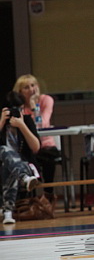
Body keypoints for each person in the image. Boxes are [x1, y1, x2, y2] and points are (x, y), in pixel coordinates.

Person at [1, 91, 41, 225]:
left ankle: (8, 211)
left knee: (9, 166)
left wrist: (22, 126)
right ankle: (24, 178)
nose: (16, 112)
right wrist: (1, 122)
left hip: (25, 164)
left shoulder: (27, 120)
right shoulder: (1, 122)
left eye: (19, 109)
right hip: (7, 167)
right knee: (4, 151)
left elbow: (36, 148)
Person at [13, 74, 59, 192]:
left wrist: (34, 107)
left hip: (46, 144)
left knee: (48, 159)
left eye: (33, 85)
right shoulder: (19, 106)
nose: (31, 89)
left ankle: (48, 194)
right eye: (26, 87)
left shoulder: (46, 100)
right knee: (25, 159)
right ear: (20, 91)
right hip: (29, 146)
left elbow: (42, 124)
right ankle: (30, 194)